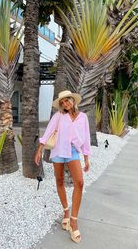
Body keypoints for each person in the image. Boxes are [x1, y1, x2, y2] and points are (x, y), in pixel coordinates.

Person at [34, 90, 91, 243]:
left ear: (73, 100)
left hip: (73, 151)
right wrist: (39, 149)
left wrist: (86, 158)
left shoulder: (83, 117)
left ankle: (73, 220)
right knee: (59, 181)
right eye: (62, 102)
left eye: (67, 100)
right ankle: (66, 212)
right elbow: (48, 131)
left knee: (79, 182)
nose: (65, 104)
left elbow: (86, 138)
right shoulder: (59, 116)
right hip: (59, 149)